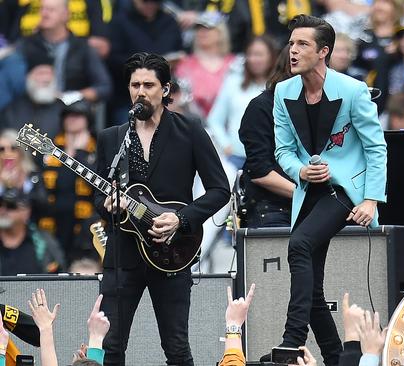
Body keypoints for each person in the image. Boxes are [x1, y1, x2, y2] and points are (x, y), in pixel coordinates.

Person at [93, 52, 230, 365]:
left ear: (165, 90)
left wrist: (181, 219)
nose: (140, 91)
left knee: (176, 347)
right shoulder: (112, 138)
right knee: (110, 346)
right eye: (135, 85)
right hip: (122, 255)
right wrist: (108, 207)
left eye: (148, 85)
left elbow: (220, 190)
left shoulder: (190, 131)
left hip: (172, 251)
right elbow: (98, 201)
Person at [270, 15, 387, 366]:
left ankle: (292, 340)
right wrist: (300, 170)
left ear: (324, 51)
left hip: (345, 192)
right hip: (310, 190)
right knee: (314, 291)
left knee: (299, 245)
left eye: (302, 44)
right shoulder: (282, 91)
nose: (293, 50)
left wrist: (370, 198)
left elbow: (375, 147)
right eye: (291, 43)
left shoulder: (352, 90)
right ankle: (337, 358)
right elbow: (283, 152)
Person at [239, 45, 294, 228]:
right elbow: (260, 172)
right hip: (272, 206)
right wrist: (305, 196)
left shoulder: (327, 106)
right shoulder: (261, 107)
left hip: (317, 204)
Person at [17, 0, 113, 104]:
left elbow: (104, 87)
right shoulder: (26, 45)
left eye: (51, 10)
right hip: (34, 106)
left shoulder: (82, 47)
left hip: (71, 109)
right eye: (42, 9)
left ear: (66, 14)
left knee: (76, 119)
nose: (44, 14)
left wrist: (72, 96)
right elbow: (13, 81)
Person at [39, 100, 99, 263]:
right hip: (53, 220)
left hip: (84, 226)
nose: (72, 119)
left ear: (88, 119)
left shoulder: (97, 149)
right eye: (68, 115)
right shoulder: (50, 148)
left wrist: (79, 153)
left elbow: (98, 184)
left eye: (78, 115)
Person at [207, 35, 277, 169]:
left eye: (259, 54)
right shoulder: (233, 82)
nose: (253, 59)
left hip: (269, 158)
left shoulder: (279, 87)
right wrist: (226, 145)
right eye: (250, 54)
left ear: (271, 57)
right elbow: (214, 119)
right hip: (236, 157)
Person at [174, 14, 236, 119]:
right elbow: (180, 102)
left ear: (220, 32)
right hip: (195, 126)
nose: (202, 32)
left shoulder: (234, 64)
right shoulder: (185, 65)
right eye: (199, 28)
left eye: (208, 28)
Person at [0, 188, 65, 276]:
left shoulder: (44, 242)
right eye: (0, 205)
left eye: (10, 206)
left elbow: (59, 276)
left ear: (26, 212)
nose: (2, 211)